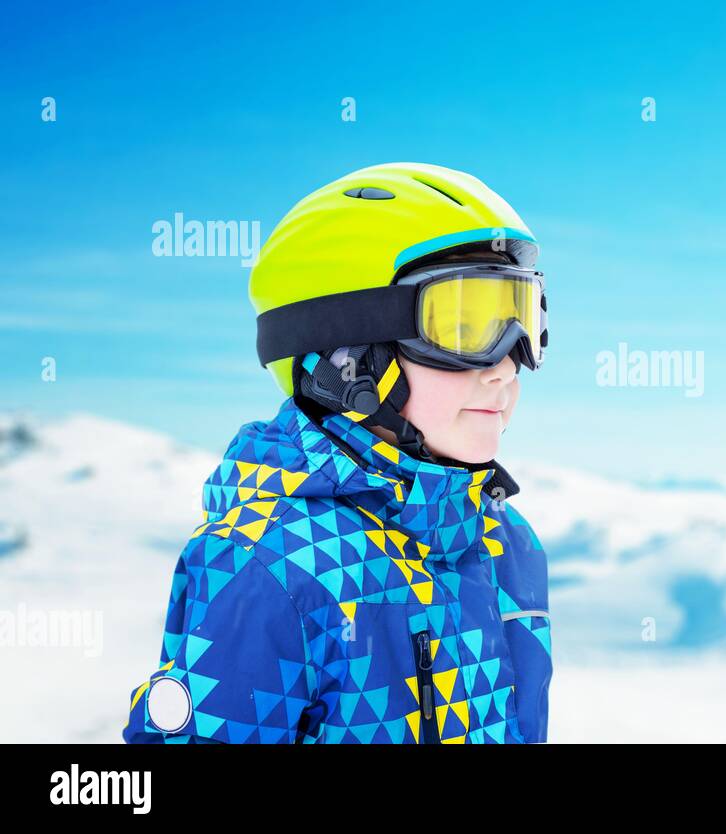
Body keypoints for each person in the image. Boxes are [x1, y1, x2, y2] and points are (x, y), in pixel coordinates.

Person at [122, 162, 552, 743]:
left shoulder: (504, 539)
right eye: (462, 324)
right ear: (345, 357)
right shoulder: (270, 566)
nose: (505, 364)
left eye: (521, 317)